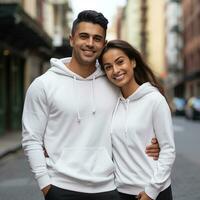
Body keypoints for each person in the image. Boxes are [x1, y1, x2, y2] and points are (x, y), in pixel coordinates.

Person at [22, 11, 160, 200]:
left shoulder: (113, 82)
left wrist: (155, 140)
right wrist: (46, 186)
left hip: (109, 188)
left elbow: (139, 112)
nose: (90, 43)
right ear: (71, 39)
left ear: (103, 45)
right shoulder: (43, 85)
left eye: (97, 38)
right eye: (84, 36)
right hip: (60, 187)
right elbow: (31, 139)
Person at [98, 39, 176, 200]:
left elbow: (168, 150)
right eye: (108, 67)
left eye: (120, 62)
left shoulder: (154, 100)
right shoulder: (112, 103)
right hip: (120, 192)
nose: (116, 70)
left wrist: (151, 191)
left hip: (153, 192)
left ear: (133, 61)